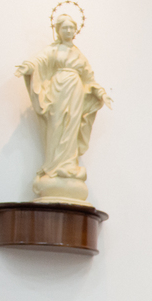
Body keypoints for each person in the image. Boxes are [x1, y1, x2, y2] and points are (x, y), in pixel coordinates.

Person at [15, 13, 110, 205]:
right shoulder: (53, 50)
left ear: (75, 31)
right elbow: (38, 61)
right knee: (57, 125)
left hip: (75, 92)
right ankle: (53, 166)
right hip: (57, 90)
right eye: (64, 27)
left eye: (71, 28)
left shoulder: (79, 55)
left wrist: (100, 92)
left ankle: (68, 165)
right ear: (58, 30)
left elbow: (89, 79)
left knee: (71, 127)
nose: (68, 31)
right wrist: (27, 68)